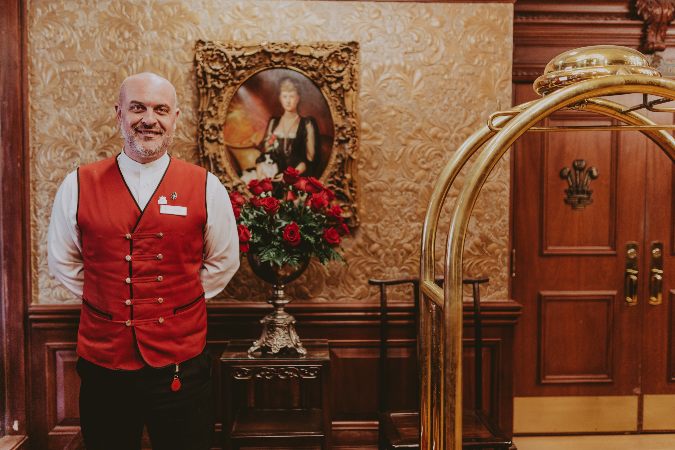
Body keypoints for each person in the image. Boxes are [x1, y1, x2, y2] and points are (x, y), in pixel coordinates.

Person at [47, 72, 240, 450]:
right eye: (137, 107)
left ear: (174, 118)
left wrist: (176, 301)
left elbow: (223, 261)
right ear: (119, 114)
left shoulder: (205, 185)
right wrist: (107, 295)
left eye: (160, 109)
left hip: (180, 362)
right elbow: (64, 262)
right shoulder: (77, 184)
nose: (148, 118)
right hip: (105, 362)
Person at [256, 77, 319, 179]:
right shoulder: (273, 122)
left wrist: (290, 176)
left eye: (292, 96)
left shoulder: (307, 124)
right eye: (285, 96)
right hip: (273, 173)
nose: (288, 101)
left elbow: (310, 159)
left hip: (297, 175)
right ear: (280, 98)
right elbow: (266, 152)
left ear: (298, 98)